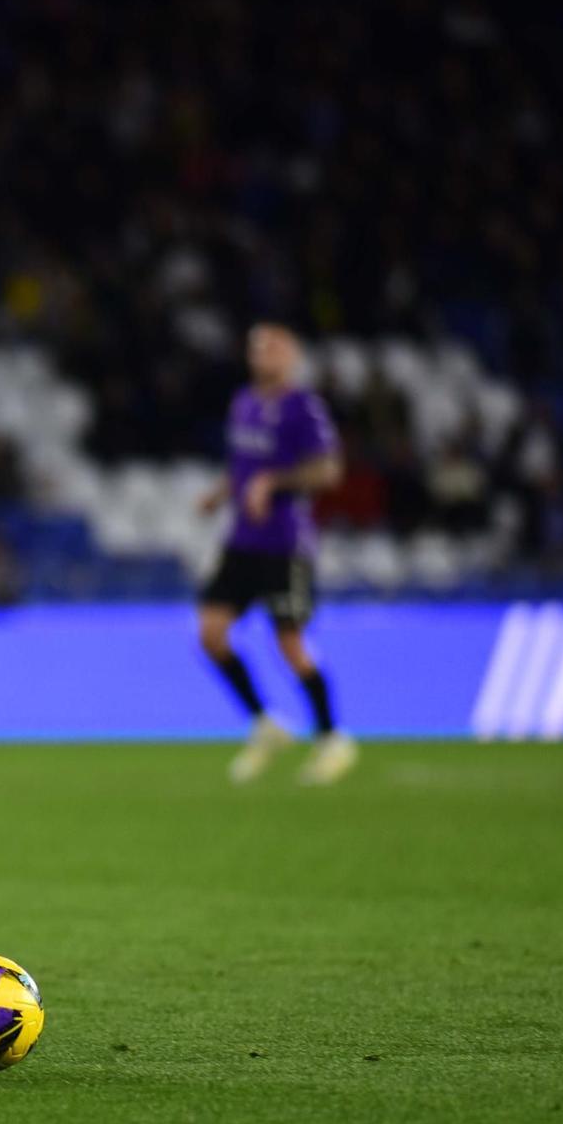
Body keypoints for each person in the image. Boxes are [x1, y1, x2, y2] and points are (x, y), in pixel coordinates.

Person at [195, 323, 358, 785]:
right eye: (257, 346)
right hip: (241, 542)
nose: (263, 353)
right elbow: (242, 467)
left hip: (285, 543)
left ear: (292, 355)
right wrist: (221, 492)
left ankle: (331, 738)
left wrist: (275, 483)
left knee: (289, 644)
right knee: (211, 634)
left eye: (274, 346)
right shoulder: (243, 403)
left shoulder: (303, 407)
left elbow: (328, 471)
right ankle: (265, 724)